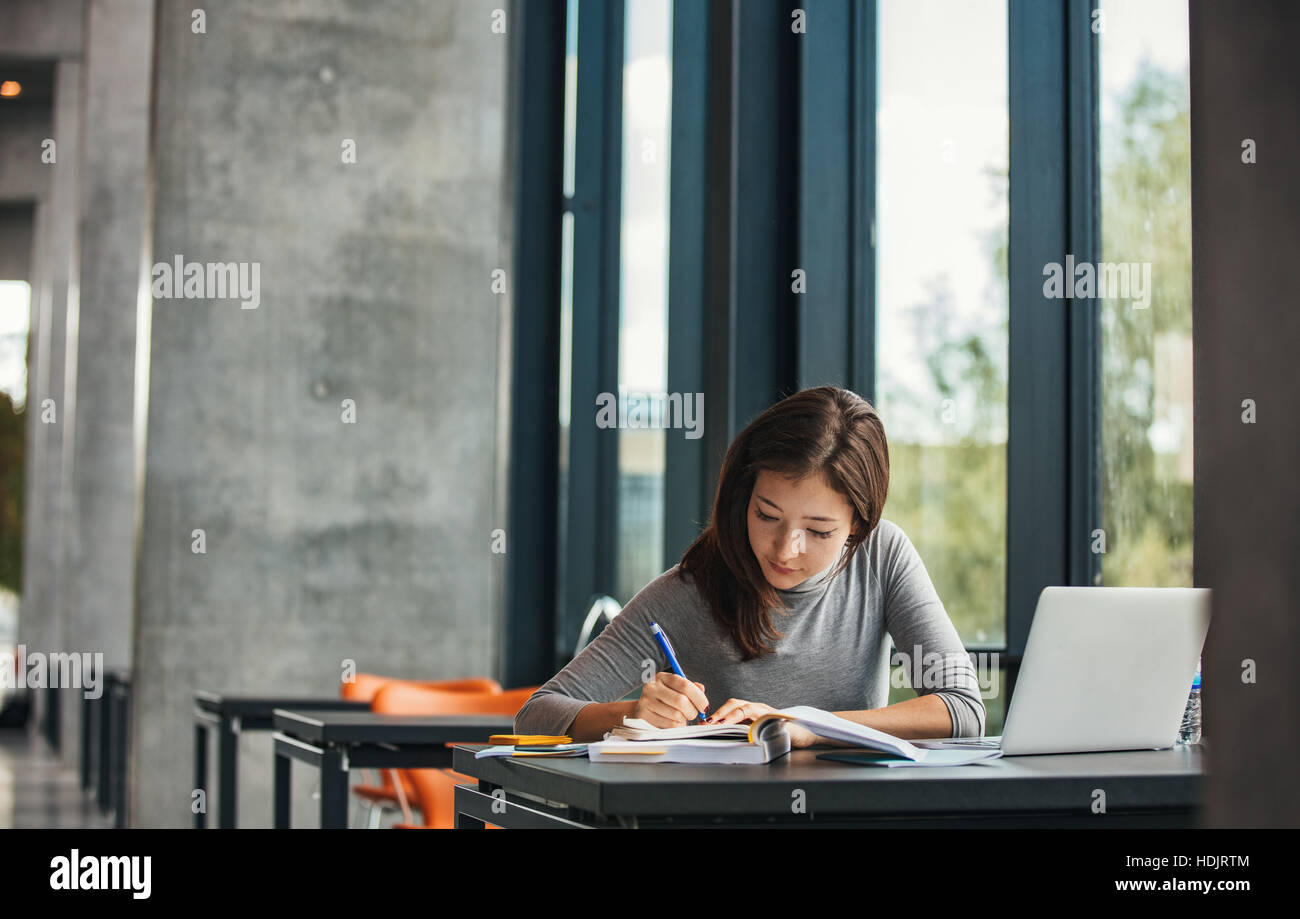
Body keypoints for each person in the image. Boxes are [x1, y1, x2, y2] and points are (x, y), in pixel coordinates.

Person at [514, 385, 986, 747]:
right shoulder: (690, 590)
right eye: (766, 515)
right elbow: (536, 714)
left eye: (819, 532)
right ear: (743, 497)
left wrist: (805, 724)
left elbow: (962, 708)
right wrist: (632, 713)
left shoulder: (882, 556)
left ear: (858, 526)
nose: (785, 550)